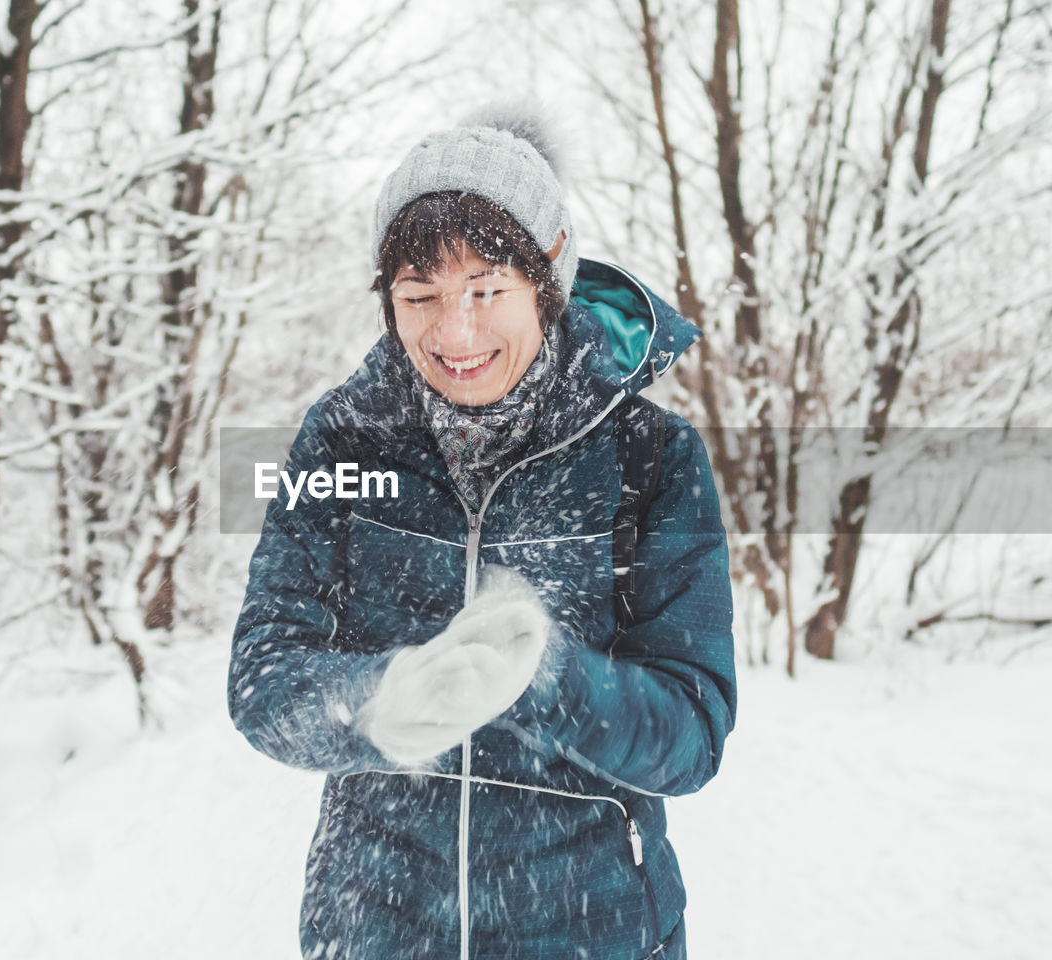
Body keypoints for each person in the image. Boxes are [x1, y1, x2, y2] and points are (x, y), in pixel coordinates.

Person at [228, 104, 736, 960]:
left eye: (487, 290)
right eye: (419, 295)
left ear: (549, 280)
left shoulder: (651, 459)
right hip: (376, 929)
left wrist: (545, 680)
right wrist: (381, 703)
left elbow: (692, 733)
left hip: (592, 932)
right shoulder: (343, 442)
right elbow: (263, 677)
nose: (453, 332)